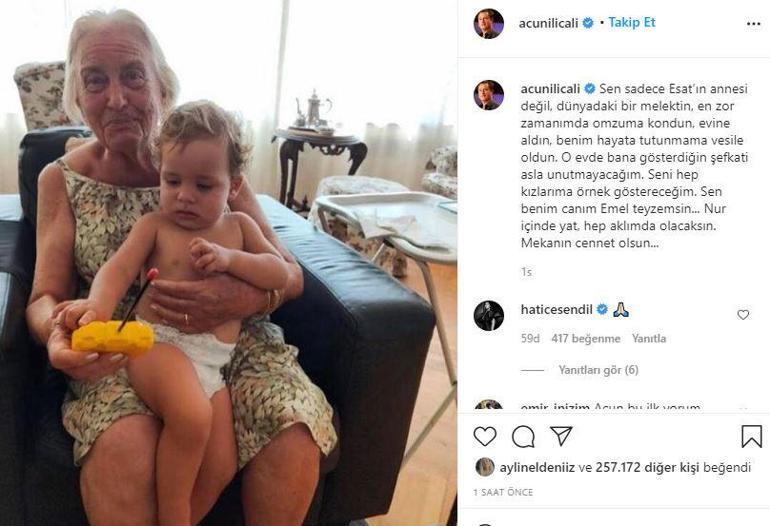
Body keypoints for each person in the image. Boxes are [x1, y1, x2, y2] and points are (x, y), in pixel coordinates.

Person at [25, 9, 336, 526]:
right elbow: (44, 297)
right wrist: (57, 334)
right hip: (132, 347)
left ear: (162, 85)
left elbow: (289, 273)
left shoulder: (207, 160)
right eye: (95, 80)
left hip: (237, 345)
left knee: (291, 432)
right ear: (76, 95)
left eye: (133, 75)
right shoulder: (60, 180)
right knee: (125, 450)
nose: (116, 98)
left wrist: (241, 297)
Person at [53, 100, 290, 524]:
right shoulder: (155, 225)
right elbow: (117, 270)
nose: (184, 195)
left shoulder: (239, 227)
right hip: (158, 345)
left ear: (234, 185)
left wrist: (231, 259)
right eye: (172, 180)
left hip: (213, 361)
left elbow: (278, 272)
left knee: (222, 459)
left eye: (204, 186)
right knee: (193, 418)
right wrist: (96, 308)